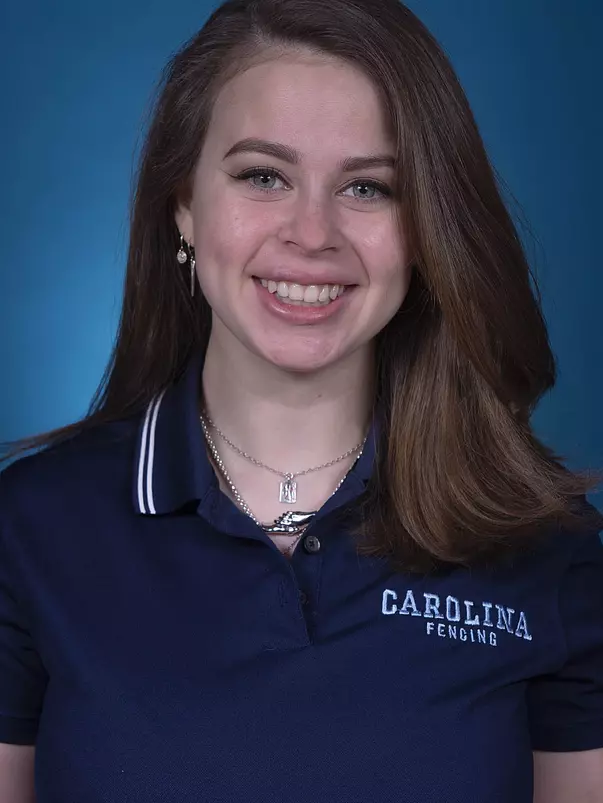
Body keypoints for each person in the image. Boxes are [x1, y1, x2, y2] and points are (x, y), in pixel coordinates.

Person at [1, 0, 603, 800]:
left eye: (367, 187)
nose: (311, 234)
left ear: (425, 228)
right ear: (182, 202)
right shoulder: (30, 531)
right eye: (262, 175)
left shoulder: (545, 550)